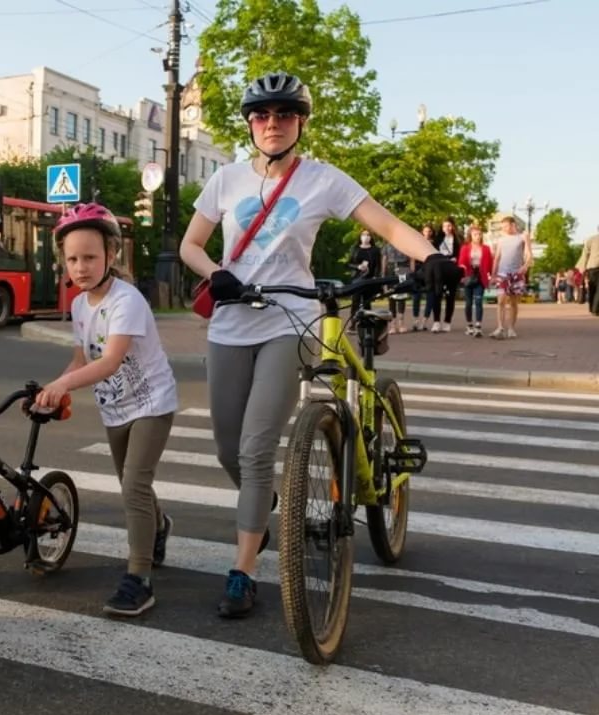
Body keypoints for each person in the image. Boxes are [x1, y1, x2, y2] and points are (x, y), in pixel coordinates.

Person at [178, 71, 459, 619]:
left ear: (301, 121)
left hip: (291, 319)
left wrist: (431, 257)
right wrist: (217, 274)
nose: (273, 123)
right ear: (250, 123)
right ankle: (267, 507)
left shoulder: (322, 179)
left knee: (258, 448)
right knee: (227, 449)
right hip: (231, 322)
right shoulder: (227, 179)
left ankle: (242, 570)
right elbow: (190, 244)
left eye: (285, 114)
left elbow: (385, 224)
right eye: (262, 115)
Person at [35, 203, 178, 618]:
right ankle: (159, 525)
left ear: (111, 255)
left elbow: (111, 361)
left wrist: (64, 385)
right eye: (73, 259)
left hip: (152, 402)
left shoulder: (126, 300)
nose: (81, 267)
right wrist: (55, 389)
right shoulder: (81, 306)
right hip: (115, 407)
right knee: (132, 484)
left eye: (90, 257)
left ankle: (140, 578)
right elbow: (83, 358)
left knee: (133, 484)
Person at [491, 215, 533, 339]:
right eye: (502, 227)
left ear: (513, 225)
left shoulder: (522, 237)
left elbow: (529, 254)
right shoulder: (501, 240)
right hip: (502, 274)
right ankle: (500, 327)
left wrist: (525, 266)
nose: (503, 229)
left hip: (516, 274)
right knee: (501, 301)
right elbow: (497, 258)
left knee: (514, 303)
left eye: (505, 226)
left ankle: (511, 328)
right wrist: (493, 274)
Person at [457, 223, 493, 337]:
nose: (477, 236)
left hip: (480, 276)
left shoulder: (486, 248)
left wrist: (491, 276)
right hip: (468, 276)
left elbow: (490, 264)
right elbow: (461, 262)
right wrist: (462, 272)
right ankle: (469, 325)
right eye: (475, 234)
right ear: (470, 235)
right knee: (468, 302)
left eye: (479, 234)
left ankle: (478, 326)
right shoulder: (465, 248)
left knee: (478, 301)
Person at [430, 217, 463, 332]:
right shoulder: (437, 239)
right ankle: (436, 321)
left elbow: (461, 255)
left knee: (451, 295)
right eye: (444, 226)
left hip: (452, 269)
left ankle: (447, 321)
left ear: (453, 226)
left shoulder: (458, 240)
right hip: (439, 268)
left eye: (449, 226)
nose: (447, 228)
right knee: (437, 294)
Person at [346, 230, 382, 330]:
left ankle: (367, 323)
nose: (366, 237)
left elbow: (378, 266)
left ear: (371, 237)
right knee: (355, 302)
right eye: (363, 235)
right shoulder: (355, 249)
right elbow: (348, 264)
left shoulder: (375, 250)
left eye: (368, 235)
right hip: (357, 279)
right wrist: (358, 266)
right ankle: (353, 323)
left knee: (367, 302)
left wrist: (376, 277)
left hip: (369, 279)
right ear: (360, 237)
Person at [381, 233, 412, 334]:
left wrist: (411, 272)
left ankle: (401, 323)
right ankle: (392, 324)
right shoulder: (386, 245)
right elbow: (384, 260)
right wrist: (383, 275)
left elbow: (411, 259)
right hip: (391, 269)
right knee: (391, 297)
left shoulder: (405, 244)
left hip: (403, 269)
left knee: (402, 297)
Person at [410, 224, 437, 331]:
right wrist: (413, 271)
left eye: (429, 231)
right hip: (418, 272)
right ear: (422, 232)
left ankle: (424, 321)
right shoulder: (417, 242)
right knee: (416, 297)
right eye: (426, 231)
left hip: (430, 272)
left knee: (430, 296)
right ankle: (416, 320)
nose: (427, 233)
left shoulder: (435, 244)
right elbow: (412, 257)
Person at [577, 227, 599, 315]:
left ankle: (592, 308)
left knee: (592, 288)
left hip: (591, 267)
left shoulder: (590, 239)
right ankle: (596, 309)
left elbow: (585, 254)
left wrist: (582, 268)